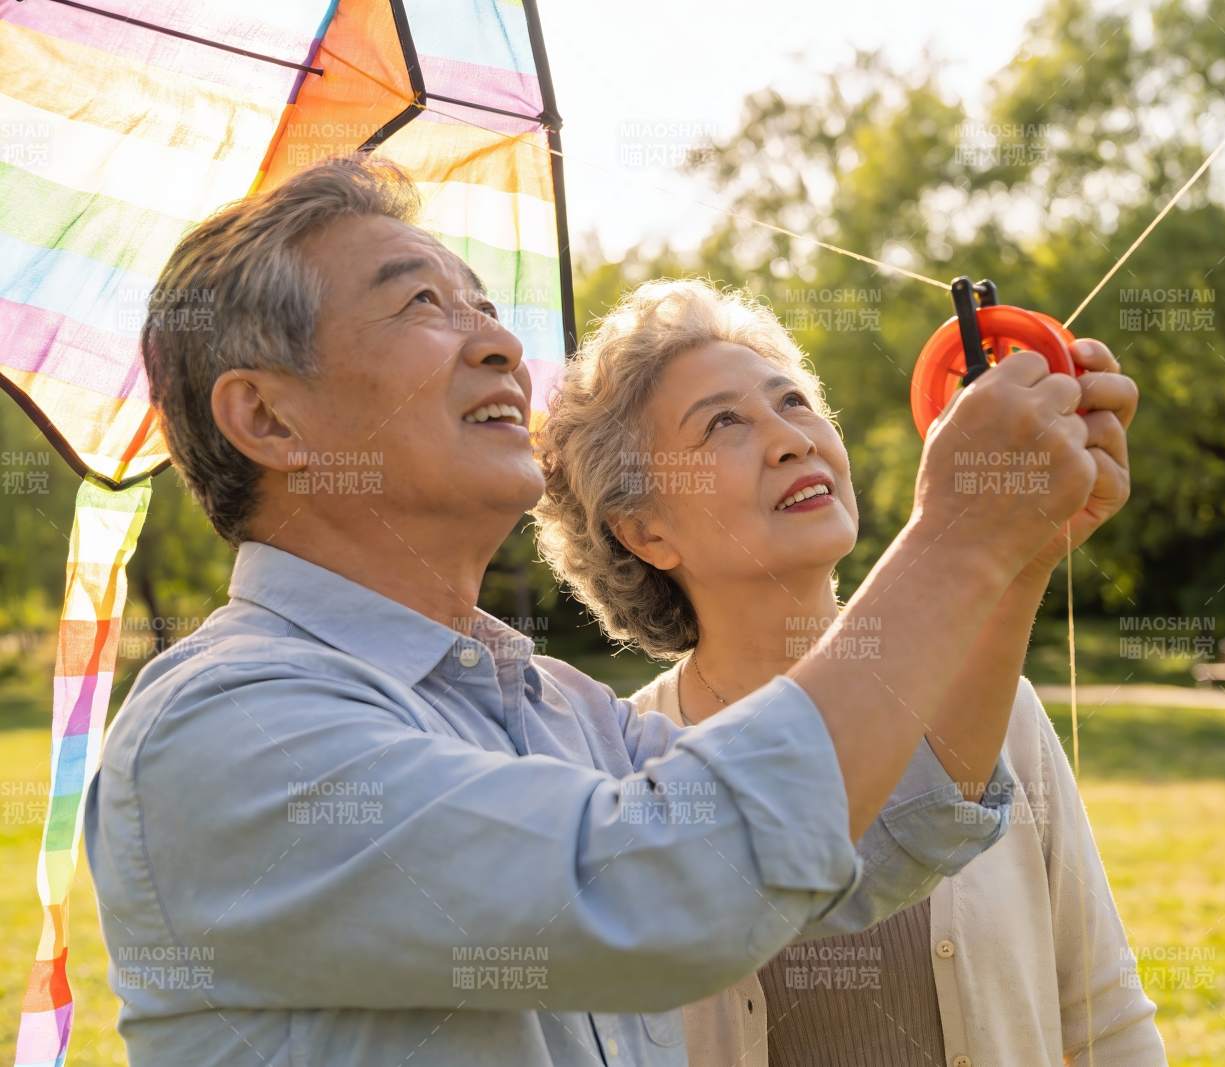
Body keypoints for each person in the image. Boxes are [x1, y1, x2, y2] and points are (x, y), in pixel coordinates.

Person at [82, 156, 1112, 1066]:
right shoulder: (223, 727)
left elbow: (871, 837)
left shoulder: (556, 707)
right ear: (267, 416)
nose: (496, 342)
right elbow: (661, 885)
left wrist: (1013, 553)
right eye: (421, 305)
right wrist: (959, 536)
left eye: (484, 304)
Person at [535, 278, 1165, 1065]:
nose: (790, 437)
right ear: (646, 530)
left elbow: (1104, 1016)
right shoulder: (632, 771)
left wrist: (1022, 550)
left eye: (793, 401)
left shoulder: (1003, 710)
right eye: (723, 422)